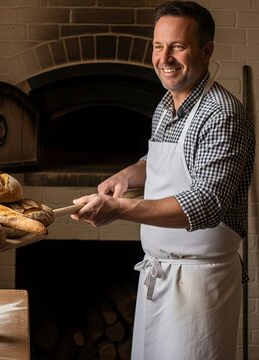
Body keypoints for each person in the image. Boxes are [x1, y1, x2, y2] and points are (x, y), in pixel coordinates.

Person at [70, 1, 255, 359]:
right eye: (158, 46)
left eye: (178, 47)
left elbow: (206, 203)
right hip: (158, 277)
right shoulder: (165, 103)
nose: (164, 58)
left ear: (206, 51)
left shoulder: (222, 114)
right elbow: (159, 159)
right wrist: (128, 174)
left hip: (200, 288)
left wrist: (120, 209)